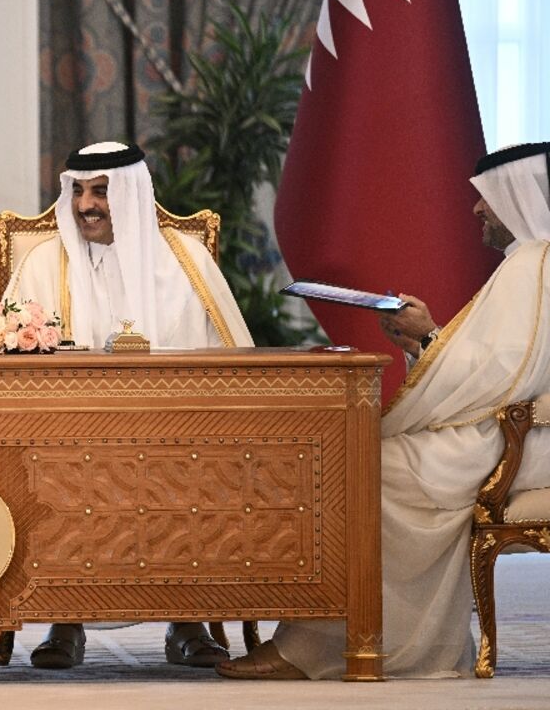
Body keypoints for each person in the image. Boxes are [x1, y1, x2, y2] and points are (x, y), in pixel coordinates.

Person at [218, 141, 550, 680]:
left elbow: (500, 378)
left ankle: (331, 648)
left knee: (360, 474)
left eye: (485, 197)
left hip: (500, 441)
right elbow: (489, 369)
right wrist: (422, 342)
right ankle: (325, 640)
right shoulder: (526, 263)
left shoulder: (533, 264)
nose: (476, 209)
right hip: (484, 430)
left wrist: (430, 334)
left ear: (515, 195)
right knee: (352, 463)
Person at [3, 141, 254, 669]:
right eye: (78, 191)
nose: (85, 206)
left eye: (100, 192)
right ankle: (64, 618)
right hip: (67, 433)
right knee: (57, 470)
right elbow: (10, 365)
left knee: (190, 467)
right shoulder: (44, 263)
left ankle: (187, 620)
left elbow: (228, 360)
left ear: (131, 194)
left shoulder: (186, 262)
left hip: (173, 431)